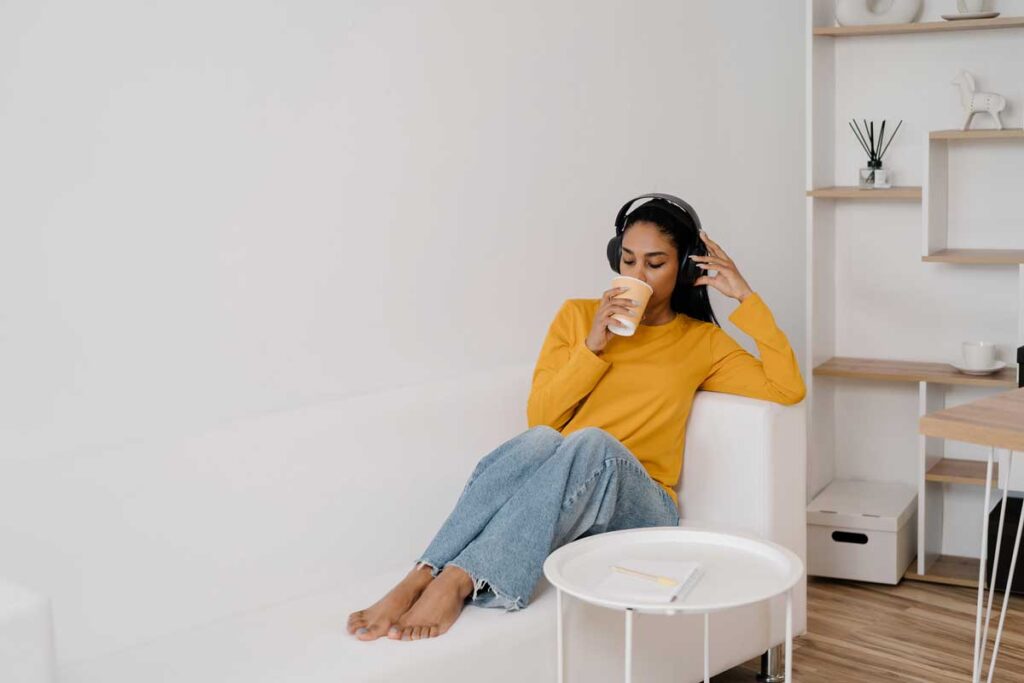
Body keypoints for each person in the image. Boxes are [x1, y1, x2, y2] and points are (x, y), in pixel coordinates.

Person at [347, 196, 806, 642]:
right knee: (541, 439)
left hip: (642, 502)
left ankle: (459, 580)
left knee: (591, 442)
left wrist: (745, 296)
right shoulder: (577, 317)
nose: (636, 274)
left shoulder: (701, 342)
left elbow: (788, 388)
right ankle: (421, 574)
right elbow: (540, 417)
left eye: (654, 263)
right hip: (571, 487)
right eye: (627, 261)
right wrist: (592, 347)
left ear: (685, 268)